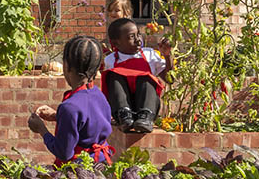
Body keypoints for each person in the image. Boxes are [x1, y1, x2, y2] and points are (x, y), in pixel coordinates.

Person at [27, 35, 114, 166]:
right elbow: (89, 124)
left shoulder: (70, 107)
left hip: (78, 172)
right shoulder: (99, 95)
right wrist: (58, 116)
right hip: (102, 164)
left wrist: (42, 130)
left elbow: (64, 152)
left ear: (66, 66)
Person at [102, 17, 169, 134]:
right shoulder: (111, 60)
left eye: (138, 34)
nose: (138, 40)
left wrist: (167, 56)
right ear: (116, 42)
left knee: (146, 78)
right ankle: (123, 115)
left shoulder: (149, 55)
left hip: (146, 105)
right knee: (112, 76)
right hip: (124, 107)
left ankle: (146, 117)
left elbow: (169, 78)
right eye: (131, 37)